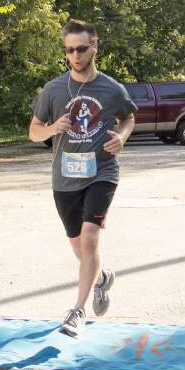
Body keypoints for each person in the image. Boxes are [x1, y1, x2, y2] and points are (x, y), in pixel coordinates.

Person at [29, 19, 137, 338]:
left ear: (94, 47)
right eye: (69, 50)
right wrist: (51, 129)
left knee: (90, 238)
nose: (75, 55)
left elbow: (128, 117)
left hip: (102, 172)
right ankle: (101, 278)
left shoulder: (110, 88)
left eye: (80, 48)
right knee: (79, 248)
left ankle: (77, 311)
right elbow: (34, 131)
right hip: (64, 177)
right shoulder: (53, 89)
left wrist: (123, 136)